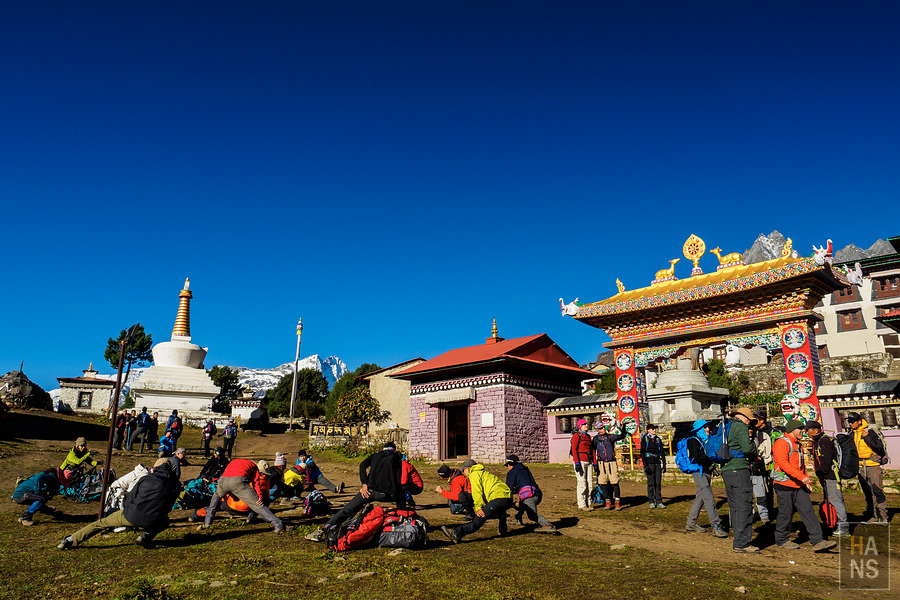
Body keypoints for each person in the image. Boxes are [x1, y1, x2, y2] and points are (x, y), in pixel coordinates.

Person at [57, 459, 181, 550]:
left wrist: (129, 508)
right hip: (154, 518)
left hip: (130, 514)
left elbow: (131, 495)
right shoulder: (175, 485)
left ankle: (70, 540)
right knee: (165, 521)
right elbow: (168, 507)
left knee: (101, 523)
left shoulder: (146, 478)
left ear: (155, 468)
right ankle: (146, 537)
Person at [304, 442, 402, 542]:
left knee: (347, 509)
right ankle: (403, 522)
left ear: (383, 449)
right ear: (394, 449)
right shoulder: (397, 457)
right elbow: (401, 478)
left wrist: (364, 483)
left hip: (369, 491)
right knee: (402, 498)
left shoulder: (375, 456)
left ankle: (324, 529)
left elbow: (362, 465)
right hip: (388, 494)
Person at [772, 420, 837, 552]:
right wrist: (802, 478)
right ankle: (782, 539)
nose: (803, 431)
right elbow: (783, 464)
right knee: (786, 513)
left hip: (799, 485)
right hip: (784, 485)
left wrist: (805, 481)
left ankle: (818, 541)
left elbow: (801, 466)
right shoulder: (781, 443)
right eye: (800, 428)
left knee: (808, 511)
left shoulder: (798, 444)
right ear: (791, 430)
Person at [201, 458, 287, 533]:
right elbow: (256, 483)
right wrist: (259, 498)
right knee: (258, 505)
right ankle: (278, 524)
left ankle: (207, 523)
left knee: (214, 501)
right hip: (238, 482)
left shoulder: (234, 461)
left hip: (223, 481)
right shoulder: (254, 466)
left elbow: (226, 473)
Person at [441, 459, 513, 544]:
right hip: (507, 496)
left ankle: (456, 533)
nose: (464, 474)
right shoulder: (483, 472)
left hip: (498, 497)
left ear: (467, 469)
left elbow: (477, 491)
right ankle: (503, 531)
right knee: (501, 512)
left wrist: (478, 507)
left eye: (463, 471)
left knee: (479, 519)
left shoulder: (474, 474)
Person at [722, 407, 759, 554]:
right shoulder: (740, 426)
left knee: (735, 507)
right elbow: (747, 448)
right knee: (744, 505)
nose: (749, 423)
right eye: (749, 420)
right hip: (739, 469)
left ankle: (738, 540)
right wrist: (754, 456)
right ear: (745, 418)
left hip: (726, 469)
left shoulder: (724, 425)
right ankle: (742, 543)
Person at [684, 420, 728, 537]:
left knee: (700, 498)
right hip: (699, 473)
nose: (708, 429)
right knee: (708, 498)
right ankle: (716, 525)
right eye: (706, 427)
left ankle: (691, 523)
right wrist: (711, 458)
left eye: (707, 426)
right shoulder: (693, 441)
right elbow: (696, 458)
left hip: (706, 472)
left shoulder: (705, 441)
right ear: (699, 430)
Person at [805, 420, 849, 536]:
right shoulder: (818, 441)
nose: (806, 432)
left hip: (831, 476)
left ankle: (844, 526)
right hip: (827, 476)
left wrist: (824, 474)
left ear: (815, 430)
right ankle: (834, 523)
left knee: (836, 500)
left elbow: (827, 460)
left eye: (808, 430)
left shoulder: (824, 440)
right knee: (832, 500)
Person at [847, 411, 889, 523]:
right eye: (849, 422)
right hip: (860, 467)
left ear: (859, 421)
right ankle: (874, 515)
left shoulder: (869, 432)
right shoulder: (851, 434)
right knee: (867, 492)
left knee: (877, 491)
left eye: (852, 422)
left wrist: (868, 438)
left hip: (872, 465)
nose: (850, 424)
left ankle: (883, 516)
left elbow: (879, 447)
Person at [505, 455, 556, 533]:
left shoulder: (512, 472)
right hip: (537, 493)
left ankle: (547, 525)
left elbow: (508, 489)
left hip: (529, 497)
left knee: (531, 515)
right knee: (522, 502)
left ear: (510, 465)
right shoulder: (525, 469)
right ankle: (517, 518)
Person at [592, 419, 627, 510]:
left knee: (615, 482)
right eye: (600, 428)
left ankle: (617, 502)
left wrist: (623, 427)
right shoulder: (596, 439)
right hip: (601, 463)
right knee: (603, 482)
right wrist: (595, 464)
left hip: (611, 462)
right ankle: (607, 501)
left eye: (603, 427)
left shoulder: (610, 437)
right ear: (597, 430)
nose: (603, 429)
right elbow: (592, 451)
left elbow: (622, 436)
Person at [749, 411, 773, 524]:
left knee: (761, 494)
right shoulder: (741, 438)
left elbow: (767, 452)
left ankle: (764, 515)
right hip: (746, 470)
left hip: (758, 469)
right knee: (747, 496)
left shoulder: (762, 435)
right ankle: (751, 514)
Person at [570, 418, 595, 511]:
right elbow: (574, 449)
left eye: (586, 424)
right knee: (582, 483)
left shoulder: (588, 437)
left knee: (590, 483)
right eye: (584, 424)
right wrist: (576, 462)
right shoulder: (577, 436)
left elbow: (592, 449)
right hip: (580, 462)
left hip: (589, 462)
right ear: (580, 426)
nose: (586, 426)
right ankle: (581, 504)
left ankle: (588, 503)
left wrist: (594, 462)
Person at [641, 424, 666, 508]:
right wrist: (645, 465)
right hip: (649, 463)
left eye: (655, 429)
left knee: (658, 483)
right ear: (648, 430)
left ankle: (659, 501)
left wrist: (664, 463)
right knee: (651, 483)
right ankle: (651, 501)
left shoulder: (658, 439)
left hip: (657, 462)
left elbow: (662, 451)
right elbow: (643, 452)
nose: (654, 430)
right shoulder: (645, 439)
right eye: (652, 429)